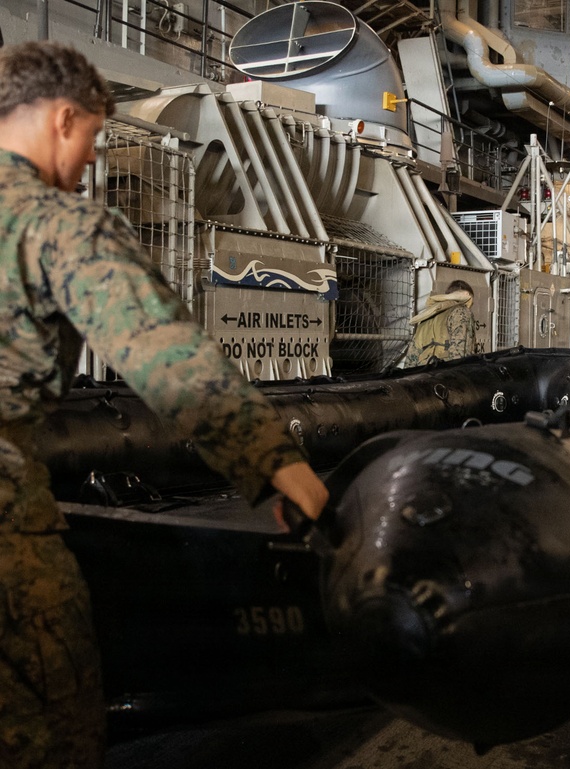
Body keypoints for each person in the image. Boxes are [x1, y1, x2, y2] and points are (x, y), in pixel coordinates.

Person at [0, 42, 330, 769]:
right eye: (90, 138)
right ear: (61, 119)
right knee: (52, 726)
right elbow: (165, 353)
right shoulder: (55, 224)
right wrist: (277, 464)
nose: (90, 162)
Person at [403, 279, 476, 367]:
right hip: (444, 373)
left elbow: (411, 356)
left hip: (422, 373)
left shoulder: (426, 317)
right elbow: (461, 351)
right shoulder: (461, 311)